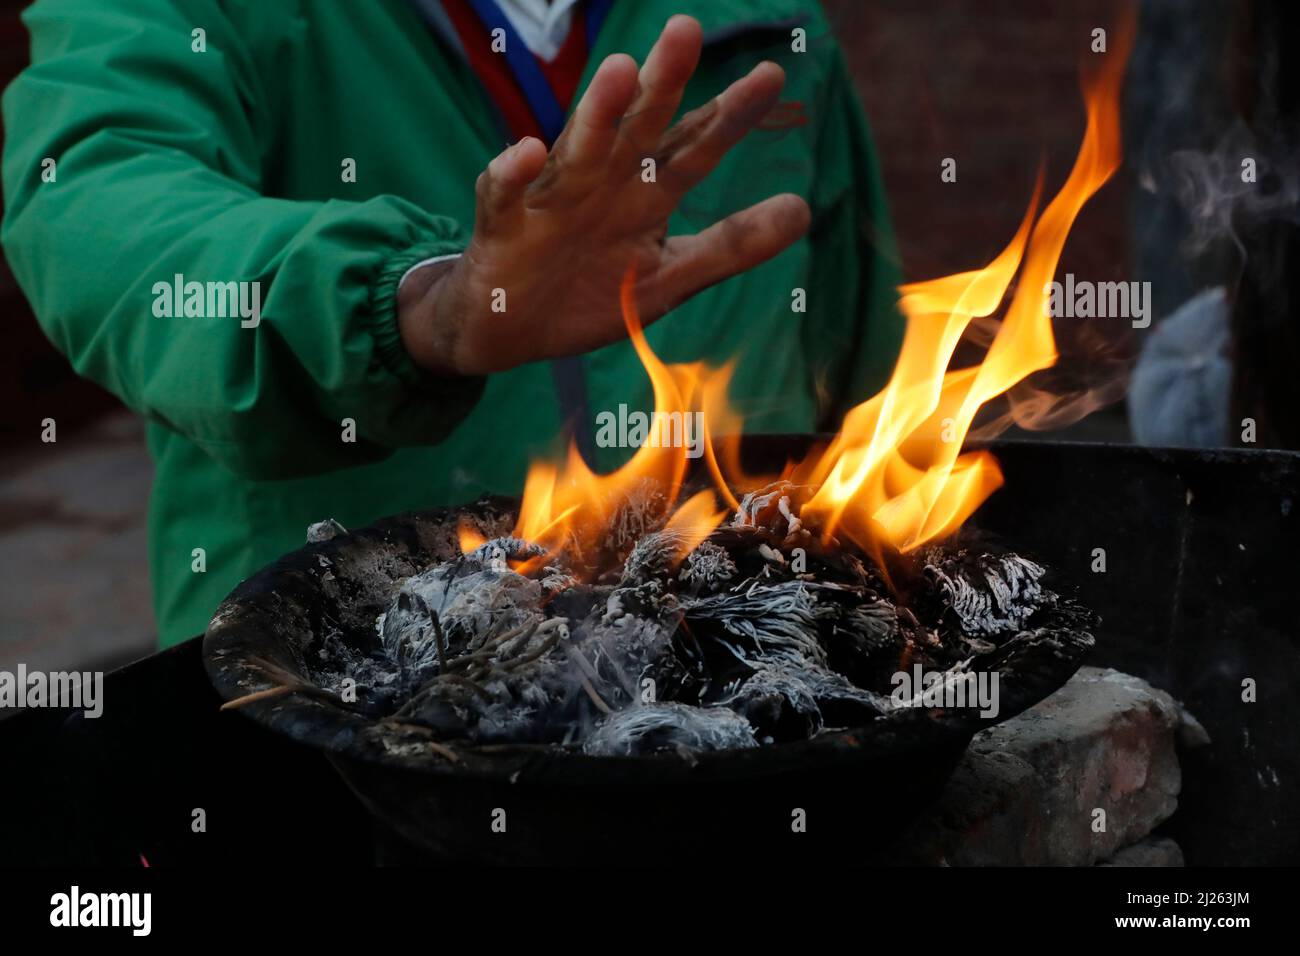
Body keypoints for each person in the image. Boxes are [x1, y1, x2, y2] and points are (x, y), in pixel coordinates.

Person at [1, 0, 903, 646]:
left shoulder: (771, 20)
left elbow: (860, 372)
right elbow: (95, 206)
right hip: (335, 726)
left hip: (730, 705)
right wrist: (420, 307)